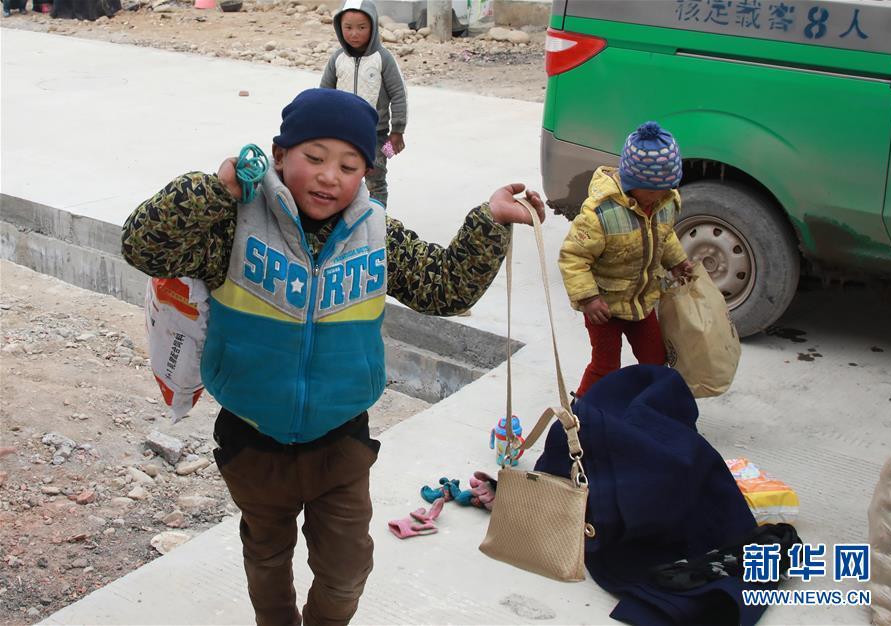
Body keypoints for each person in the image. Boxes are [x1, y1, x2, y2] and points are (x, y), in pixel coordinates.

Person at [121, 87, 544, 626]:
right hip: (252, 438)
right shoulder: (233, 225)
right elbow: (143, 246)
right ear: (279, 156)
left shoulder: (376, 233)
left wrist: (489, 221)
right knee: (267, 557)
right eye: (314, 158)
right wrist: (216, 189)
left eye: (349, 165)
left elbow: (446, 289)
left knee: (346, 570)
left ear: (366, 174)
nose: (329, 176)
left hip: (341, 441)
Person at [558, 121, 693, 402]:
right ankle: (582, 412)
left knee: (656, 360)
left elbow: (664, 236)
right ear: (632, 183)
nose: (659, 196)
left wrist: (677, 262)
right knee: (605, 366)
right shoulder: (600, 214)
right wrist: (588, 299)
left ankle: (649, 406)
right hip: (604, 308)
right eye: (652, 190)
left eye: (666, 189)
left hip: (642, 302)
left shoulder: (665, 202)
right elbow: (573, 257)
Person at [320, 0, 407, 208]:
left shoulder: (382, 58)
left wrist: (398, 130)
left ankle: (377, 221)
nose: (354, 34)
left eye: (362, 28)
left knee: (376, 177)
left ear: (373, 27)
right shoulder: (337, 59)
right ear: (339, 28)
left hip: (375, 135)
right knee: (341, 177)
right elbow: (323, 94)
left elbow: (398, 95)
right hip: (341, 134)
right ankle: (344, 217)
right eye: (348, 28)